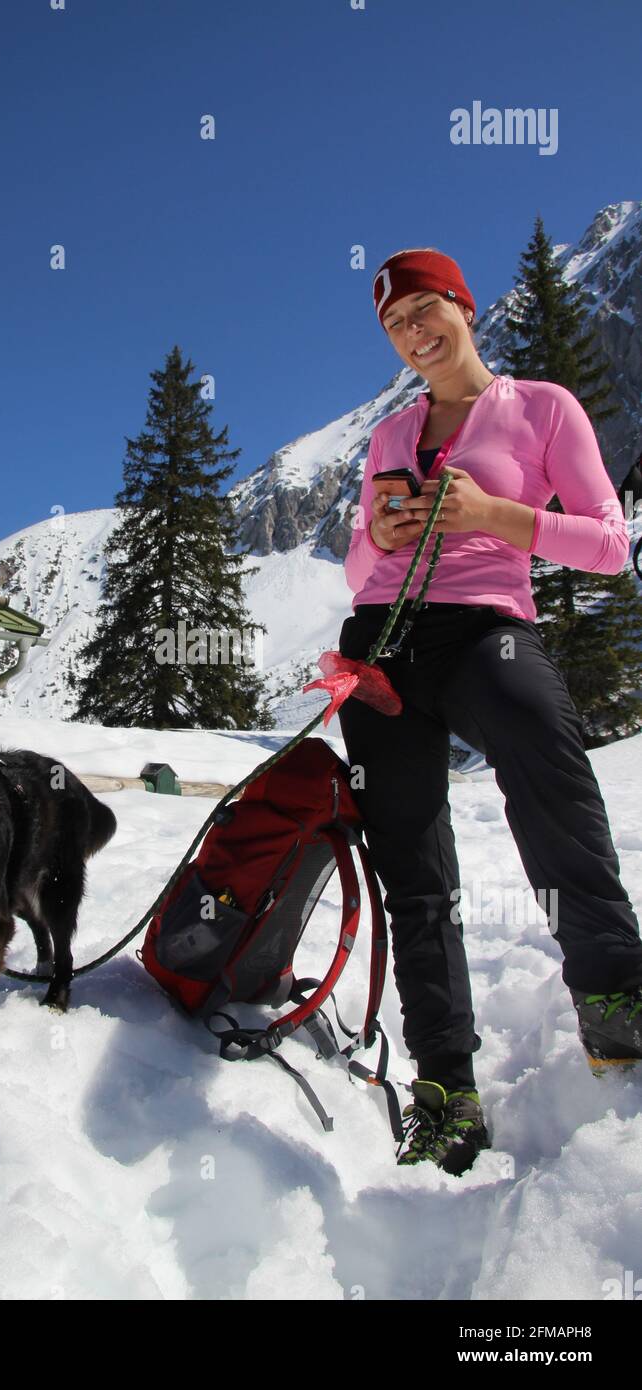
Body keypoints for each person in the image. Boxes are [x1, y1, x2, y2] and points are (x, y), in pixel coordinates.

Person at [338, 246, 642, 1176]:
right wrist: (377, 536)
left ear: (465, 309)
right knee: (410, 854)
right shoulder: (389, 438)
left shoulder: (541, 407)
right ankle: (445, 1080)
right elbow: (358, 569)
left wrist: (495, 517)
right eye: (395, 324)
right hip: (381, 639)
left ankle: (613, 989)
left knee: (546, 761)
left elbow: (609, 546)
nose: (413, 332)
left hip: (486, 631)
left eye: (426, 310)